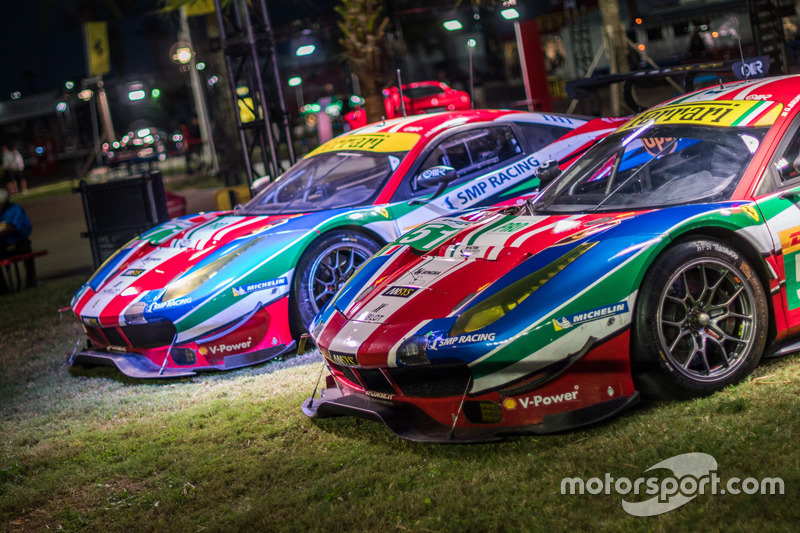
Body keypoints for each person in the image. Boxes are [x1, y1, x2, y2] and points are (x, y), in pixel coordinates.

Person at [0, 186, 36, 292]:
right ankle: (2, 287)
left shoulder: (16, 210)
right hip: (2, 244)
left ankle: (31, 280)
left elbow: (26, 229)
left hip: (18, 242)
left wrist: (14, 228)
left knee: (26, 248)